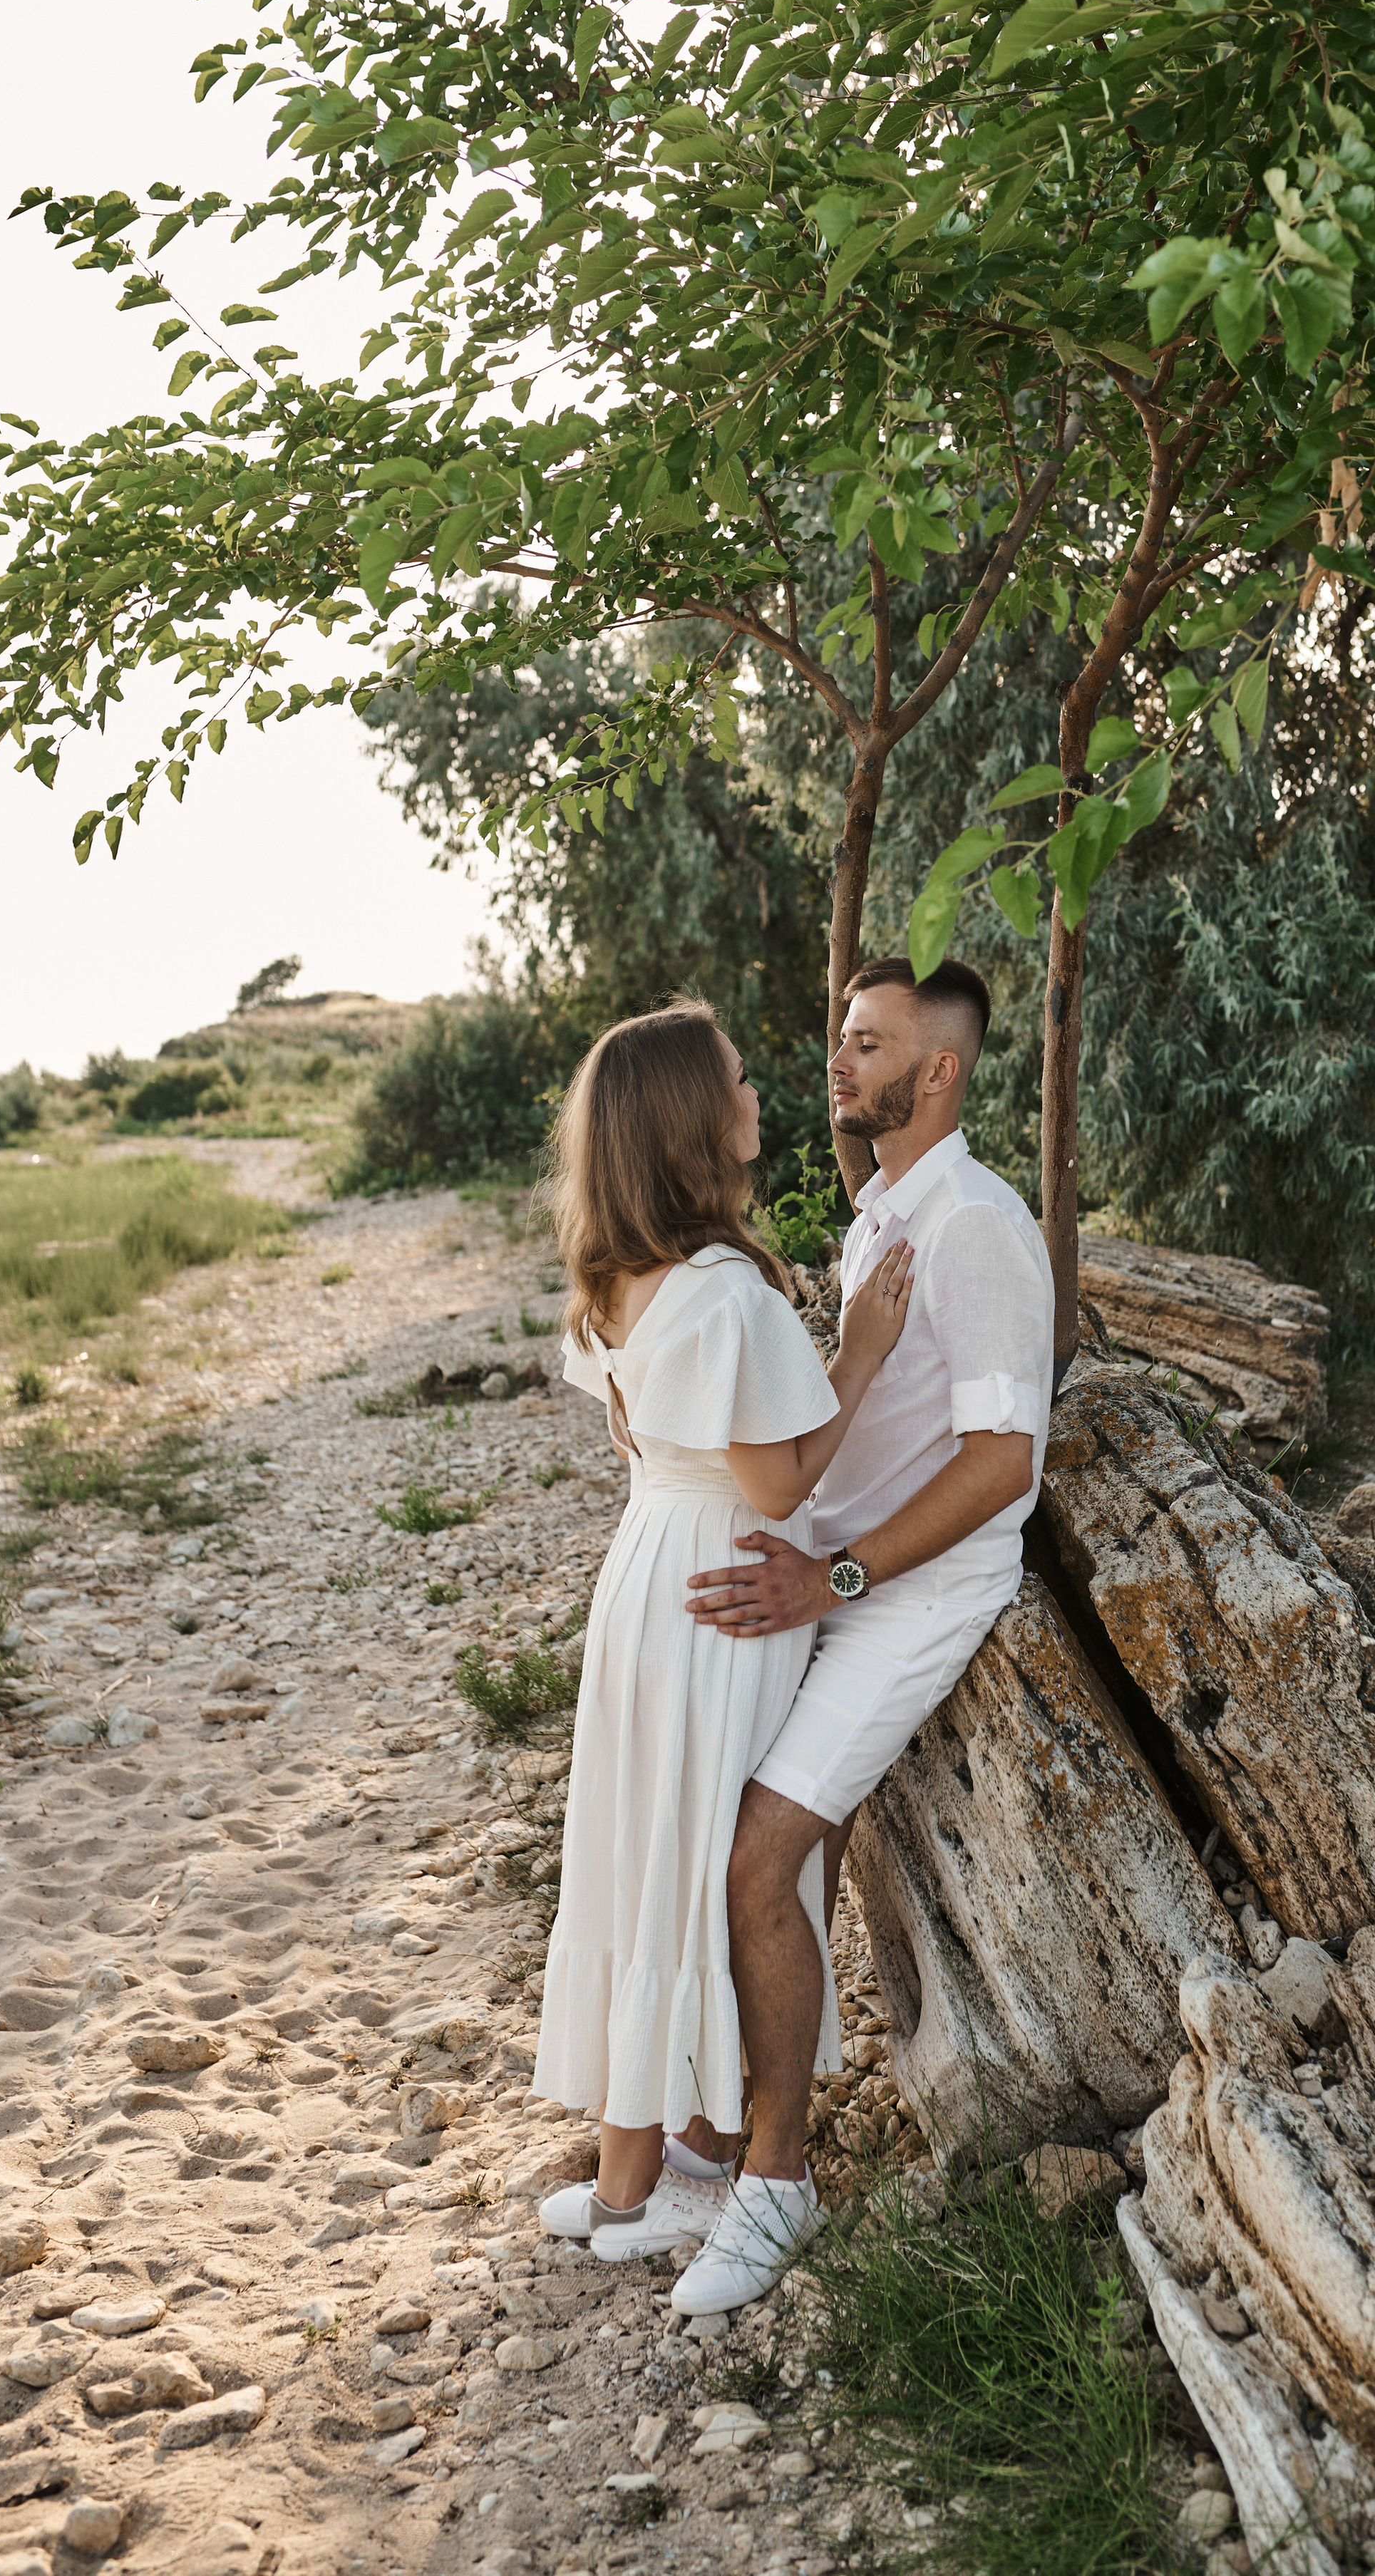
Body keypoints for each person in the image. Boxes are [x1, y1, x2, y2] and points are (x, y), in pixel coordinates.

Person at [670, 956, 1055, 2312]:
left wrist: (832, 1577)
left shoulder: (978, 1227)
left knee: (760, 1858)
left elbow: (1005, 1463)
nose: (839, 1062)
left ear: (937, 1073)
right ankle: (709, 2141)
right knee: (739, 1831)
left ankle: (778, 2185)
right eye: (840, 1036)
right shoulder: (883, 1207)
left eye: (869, 1042)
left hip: (919, 1591)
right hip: (840, 1565)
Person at [531, 1000, 915, 2261]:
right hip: (726, 1584)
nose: (764, 1092)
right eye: (742, 1079)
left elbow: (643, 1443)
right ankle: (650, 2186)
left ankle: (636, 2175)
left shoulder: (619, 1281)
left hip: (647, 1569)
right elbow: (777, 1485)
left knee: (652, 1857)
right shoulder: (729, 1295)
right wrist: (858, 1357)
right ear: (699, 1120)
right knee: (702, 1864)